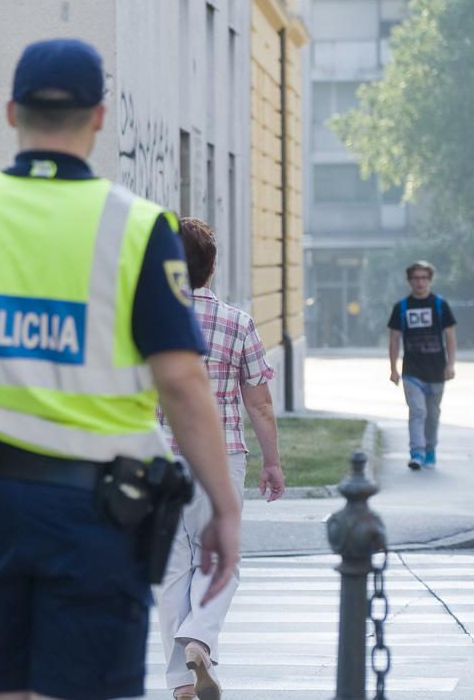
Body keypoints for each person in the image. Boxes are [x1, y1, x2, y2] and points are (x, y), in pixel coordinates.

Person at [0, 38, 242, 700]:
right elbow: (184, 384)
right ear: (100, 117)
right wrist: (222, 504)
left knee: (8, 691)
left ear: (11, 111)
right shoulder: (138, 229)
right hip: (103, 514)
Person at [155, 218, 286, 700]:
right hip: (221, 456)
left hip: (163, 459)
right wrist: (272, 462)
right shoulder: (238, 323)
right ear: (211, 268)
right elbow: (260, 403)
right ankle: (199, 641)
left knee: (172, 571)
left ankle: (181, 682)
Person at [388, 260, 457, 470]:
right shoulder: (402, 307)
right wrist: (393, 368)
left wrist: (451, 364)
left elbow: (450, 336)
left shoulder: (439, 305)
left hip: (437, 369)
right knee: (417, 411)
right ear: (409, 281)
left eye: (424, 278)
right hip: (412, 371)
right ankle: (416, 453)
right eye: (416, 278)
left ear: (430, 280)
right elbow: (394, 339)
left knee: (433, 414)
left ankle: (430, 449)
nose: (420, 282)